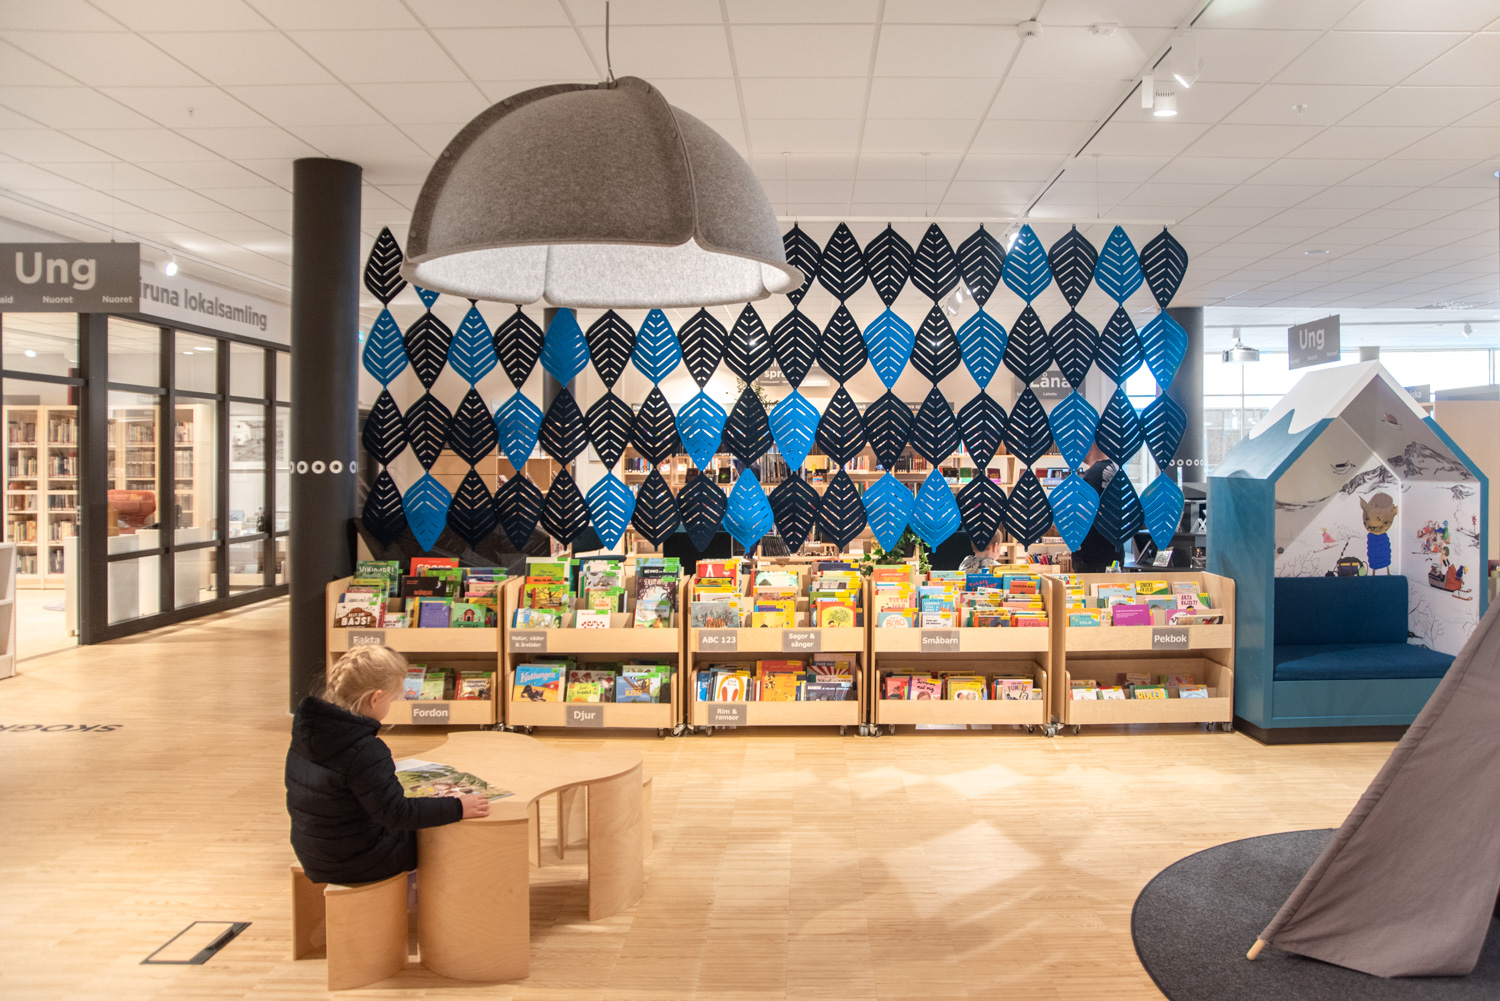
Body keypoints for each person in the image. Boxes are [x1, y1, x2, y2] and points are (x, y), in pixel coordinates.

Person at [286, 647, 489, 885]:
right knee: (434, 836)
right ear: (375, 698)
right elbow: (398, 814)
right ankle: (425, 897)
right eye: (391, 700)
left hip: (313, 853)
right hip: (355, 861)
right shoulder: (365, 750)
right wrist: (458, 807)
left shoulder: (309, 730)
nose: (391, 705)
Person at [1072, 444, 1123, 573]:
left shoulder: (1094, 474)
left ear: (1092, 443)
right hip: (1109, 555)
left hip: (1093, 560)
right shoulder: (1112, 470)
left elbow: (1082, 516)